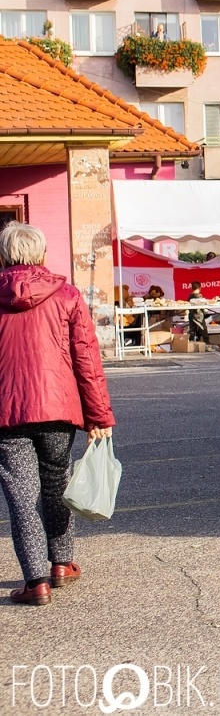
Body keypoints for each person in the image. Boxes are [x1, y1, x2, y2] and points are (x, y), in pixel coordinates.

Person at [0, 223, 115, 605]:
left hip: (7, 413)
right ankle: (62, 564)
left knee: (21, 497)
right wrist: (99, 415)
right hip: (58, 408)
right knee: (56, 486)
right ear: (42, 255)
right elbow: (86, 358)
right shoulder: (66, 295)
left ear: (3, 256)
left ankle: (35, 583)